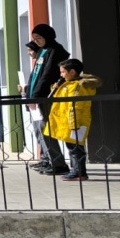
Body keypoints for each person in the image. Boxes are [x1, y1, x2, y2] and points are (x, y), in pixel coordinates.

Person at [24, 24, 72, 176]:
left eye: (39, 38)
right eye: (34, 38)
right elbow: (35, 75)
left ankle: (58, 164)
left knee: (47, 130)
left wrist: (36, 96)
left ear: (47, 36)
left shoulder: (56, 51)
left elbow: (47, 75)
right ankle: (51, 161)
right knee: (40, 130)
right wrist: (28, 93)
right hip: (36, 96)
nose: (36, 41)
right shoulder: (42, 51)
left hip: (45, 97)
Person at [44, 59, 102, 182]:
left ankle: (79, 172)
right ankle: (75, 170)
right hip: (68, 121)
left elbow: (74, 106)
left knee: (76, 148)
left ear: (72, 72)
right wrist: (55, 88)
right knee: (72, 147)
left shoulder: (79, 86)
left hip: (75, 122)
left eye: (63, 72)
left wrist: (73, 123)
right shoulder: (68, 84)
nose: (61, 75)